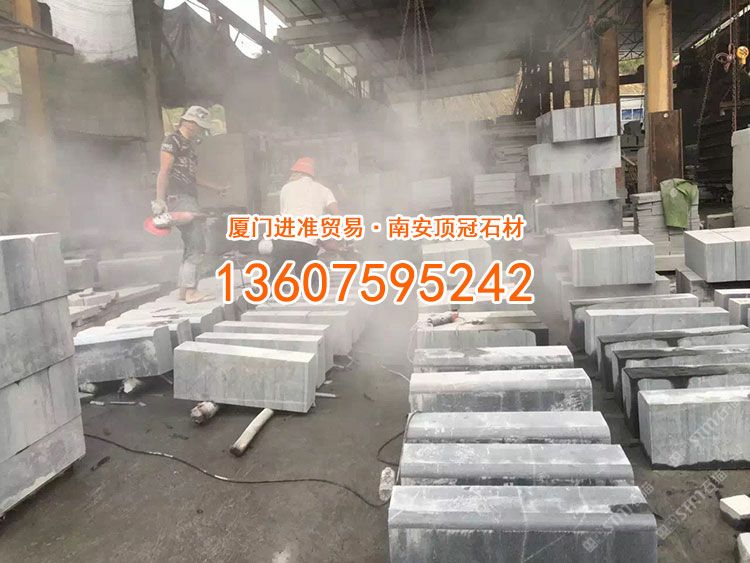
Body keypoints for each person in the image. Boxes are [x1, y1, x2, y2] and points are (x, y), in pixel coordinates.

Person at [152, 105, 226, 303]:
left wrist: (215, 188)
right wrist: (160, 199)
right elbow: (164, 171)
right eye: (200, 126)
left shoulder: (190, 147)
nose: (201, 131)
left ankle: (184, 291)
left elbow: (191, 176)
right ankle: (192, 292)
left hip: (188, 198)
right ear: (190, 123)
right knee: (197, 244)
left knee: (190, 245)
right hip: (180, 198)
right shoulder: (172, 141)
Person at [272, 157, 339, 279]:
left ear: (299, 173)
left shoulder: (286, 188)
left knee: (274, 281)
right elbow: (337, 215)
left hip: (283, 242)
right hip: (306, 245)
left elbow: (284, 215)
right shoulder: (324, 190)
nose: (291, 176)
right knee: (309, 282)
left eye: (293, 173)